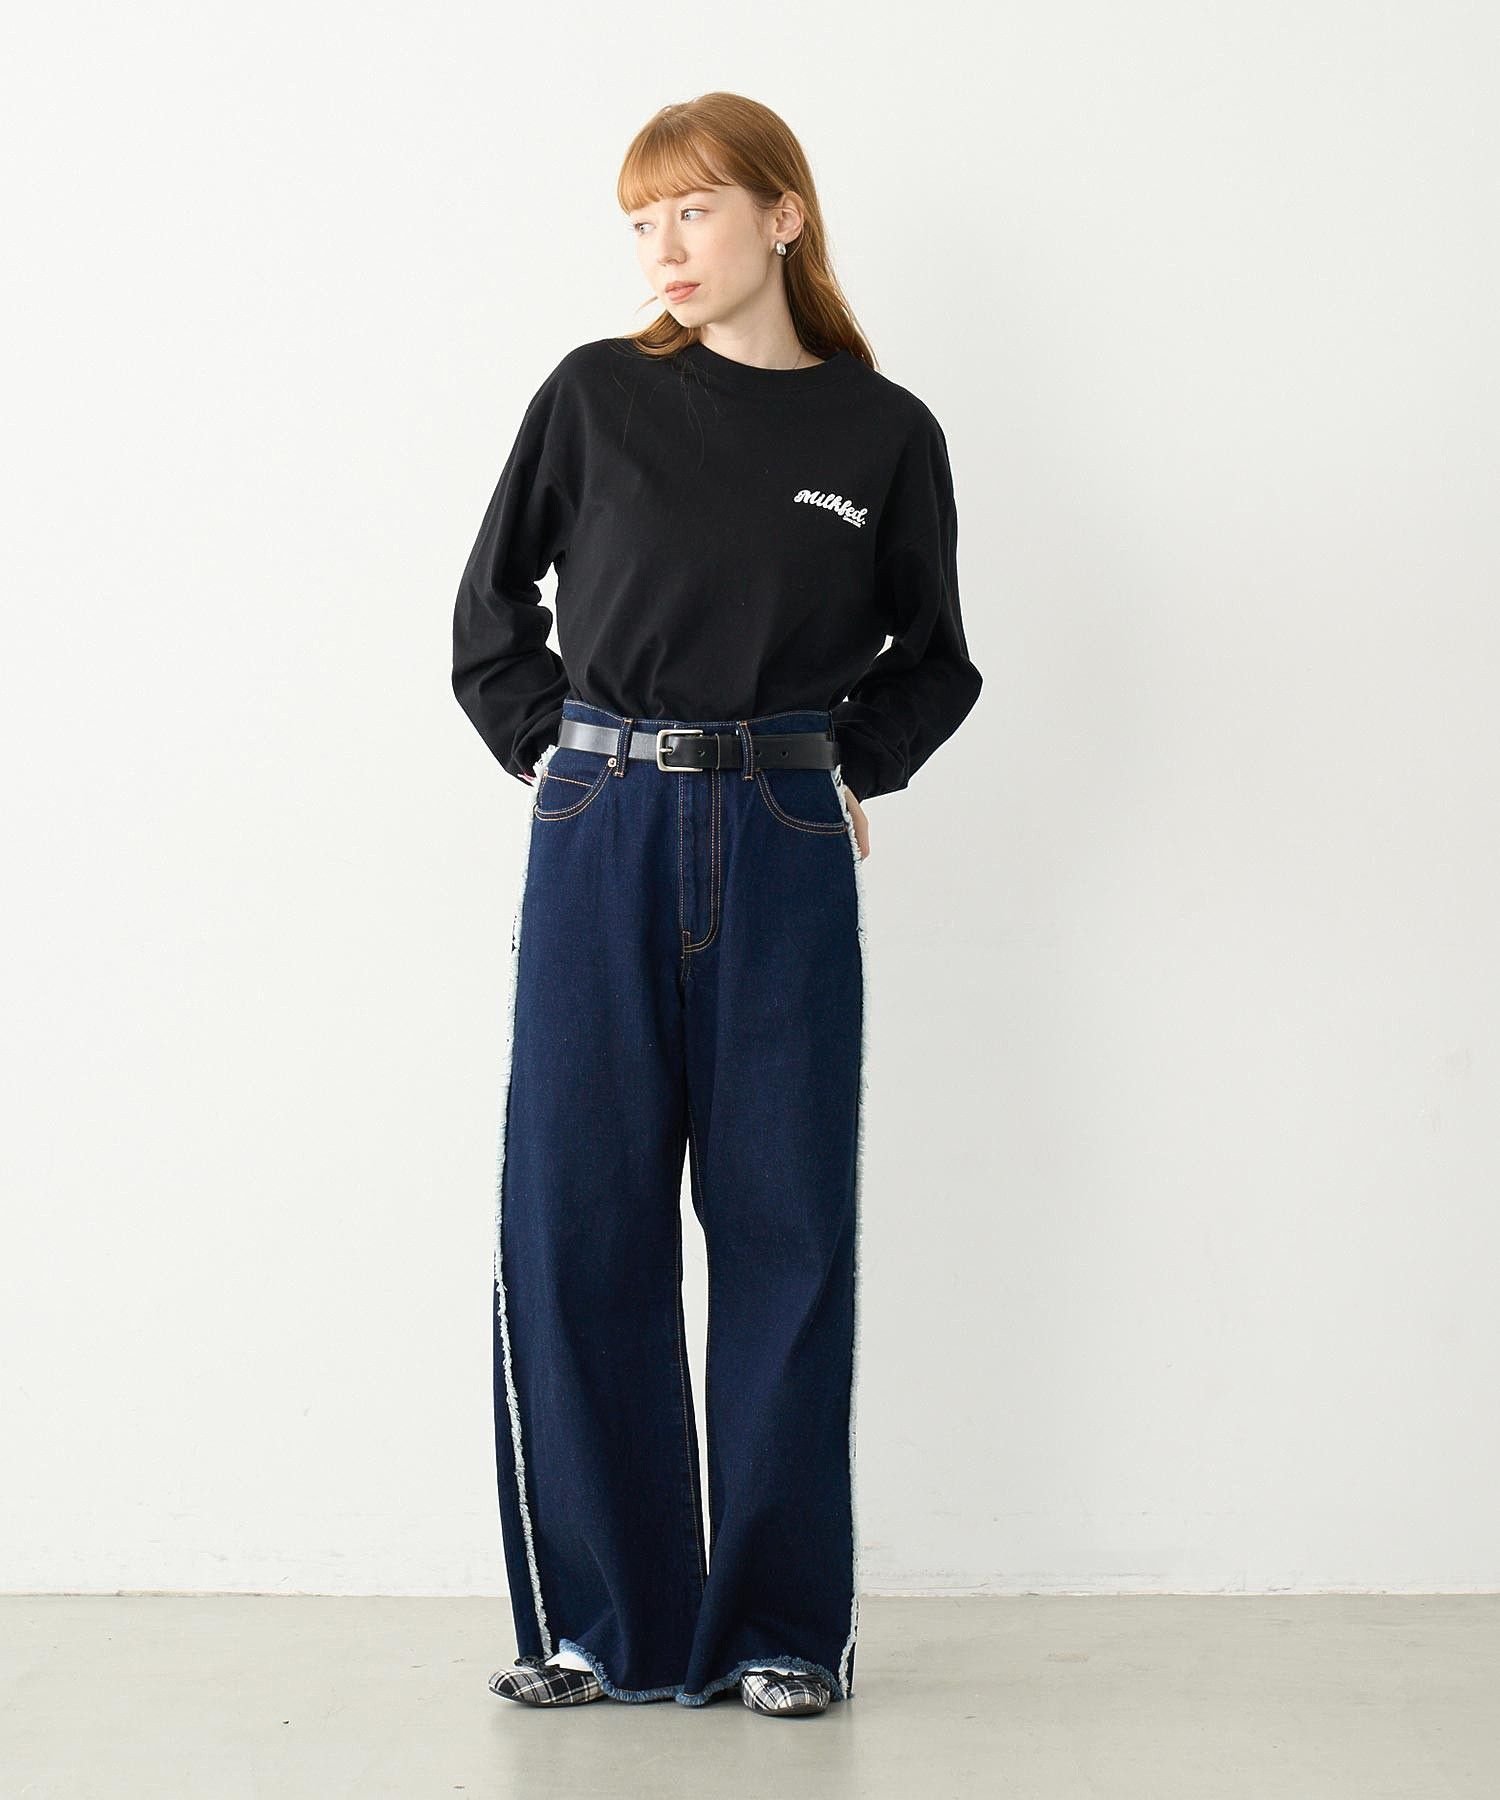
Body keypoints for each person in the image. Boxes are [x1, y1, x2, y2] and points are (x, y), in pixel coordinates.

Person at [452, 91, 982, 1719]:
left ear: (782, 216)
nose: (662, 248)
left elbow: (937, 661)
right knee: (578, 1222)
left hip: (781, 827)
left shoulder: (881, 434)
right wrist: (550, 750)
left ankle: (776, 1632)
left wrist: (849, 768)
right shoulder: (594, 396)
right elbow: (488, 616)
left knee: (784, 1233)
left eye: (692, 210)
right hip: (600, 822)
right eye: (641, 220)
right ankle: (604, 1628)